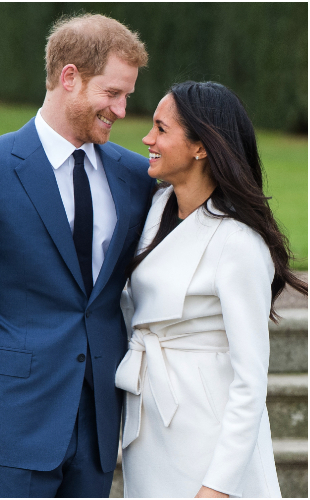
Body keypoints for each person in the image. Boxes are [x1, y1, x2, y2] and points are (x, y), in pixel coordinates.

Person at [0, 13, 155, 498]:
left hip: (99, 421)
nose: (122, 110)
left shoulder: (135, 175)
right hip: (9, 421)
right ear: (69, 77)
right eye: (112, 94)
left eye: (127, 96)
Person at [115, 81, 307, 498]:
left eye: (161, 130)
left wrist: (216, 487)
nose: (147, 139)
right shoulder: (154, 209)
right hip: (150, 426)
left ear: (201, 147)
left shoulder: (238, 242)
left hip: (209, 440)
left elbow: (250, 379)